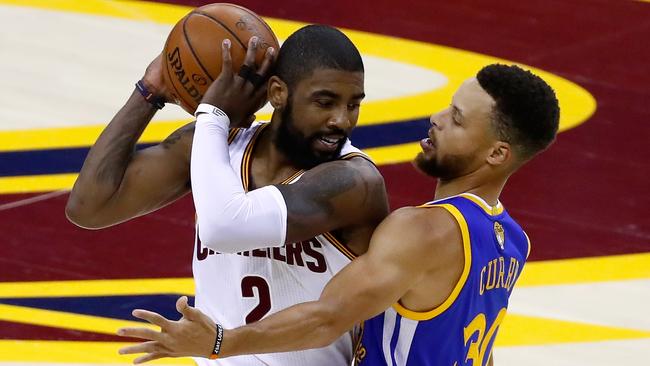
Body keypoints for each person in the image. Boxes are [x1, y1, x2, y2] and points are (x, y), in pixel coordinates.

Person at [117, 64, 560, 366]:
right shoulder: (512, 240)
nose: (437, 117)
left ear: (498, 153)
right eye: (448, 106)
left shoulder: (422, 229)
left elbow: (328, 317)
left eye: (458, 120)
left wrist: (220, 343)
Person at [67, 25, 389, 365]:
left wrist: (213, 114)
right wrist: (150, 91)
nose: (341, 120)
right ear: (278, 93)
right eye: (325, 102)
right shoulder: (217, 144)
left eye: (354, 104)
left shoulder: (354, 182)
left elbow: (225, 226)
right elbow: (89, 207)